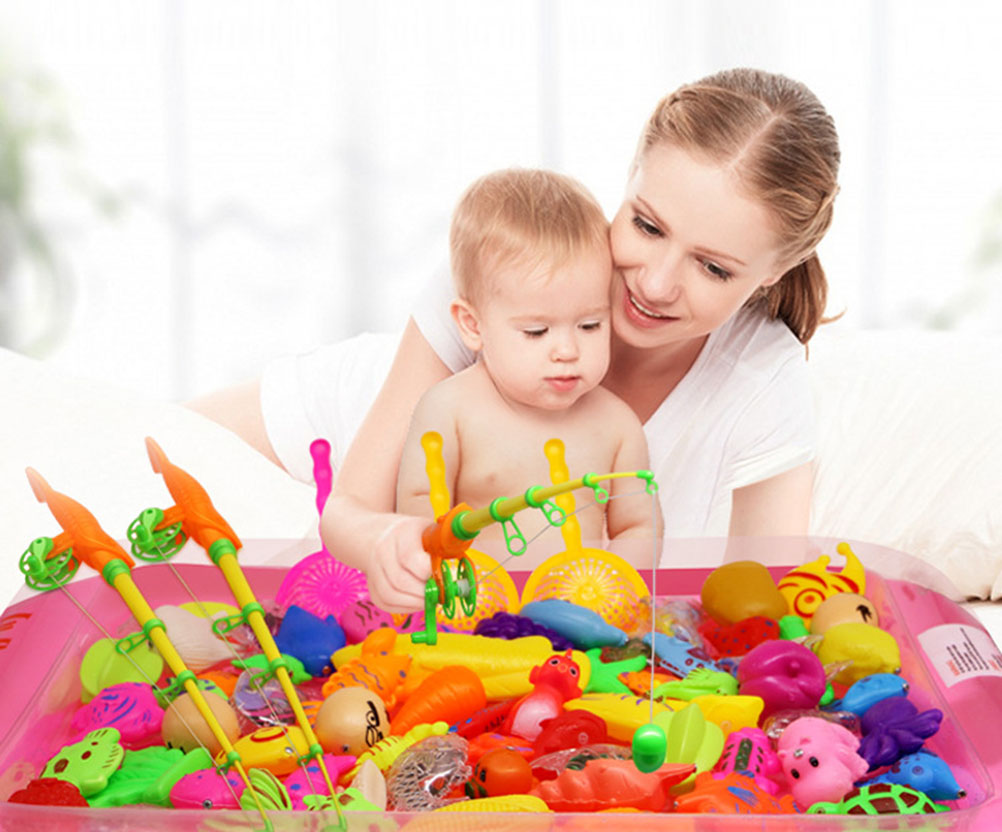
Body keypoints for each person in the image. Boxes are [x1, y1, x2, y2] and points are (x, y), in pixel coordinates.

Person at [188, 67, 841, 612]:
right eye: (646, 226)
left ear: (775, 271)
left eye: (713, 268)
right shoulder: (509, 268)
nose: (656, 283)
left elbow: (765, 606)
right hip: (337, 416)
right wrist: (386, 540)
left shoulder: (763, 381)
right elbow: (353, 508)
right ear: (630, 178)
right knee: (154, 455)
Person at [393, 167, 656, 557]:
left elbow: (639, 526)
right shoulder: (449, 411)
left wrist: (613, 582)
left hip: (577, 594)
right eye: (536, 331)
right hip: (478, 594)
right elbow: (421, 512)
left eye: (590, 325)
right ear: (473, 325)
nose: (567, 350)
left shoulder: (617, 425)